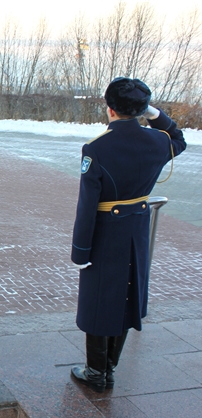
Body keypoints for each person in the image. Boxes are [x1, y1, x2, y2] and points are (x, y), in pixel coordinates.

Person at [70, 77, 186, 393]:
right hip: (136, 230)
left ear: (110, 109)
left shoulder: (96, 148)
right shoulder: (158, 142)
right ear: (139, 109)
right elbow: (178, 137)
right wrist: (152, 113)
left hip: (106, 232)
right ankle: (108, 367)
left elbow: (87, 206)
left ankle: (96, 372)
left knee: (98, 300)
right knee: (126, 296)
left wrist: (80, 251)